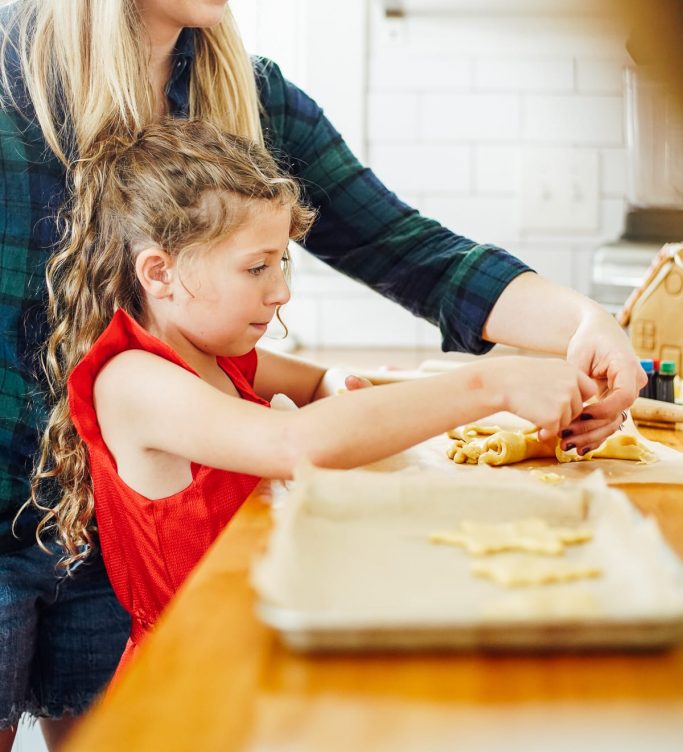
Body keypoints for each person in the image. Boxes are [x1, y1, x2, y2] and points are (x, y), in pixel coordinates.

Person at [0, 0, 643, 747]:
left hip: (130, 541)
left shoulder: (252, 103)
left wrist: (585, 324)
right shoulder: (8, 77)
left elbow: (417, 254)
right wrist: (487, 387)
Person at [28, 117, 605, 684]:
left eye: (280, 263)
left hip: (258, 640)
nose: (279, 291)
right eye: (256, 267)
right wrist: (492, 384)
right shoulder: (133, 379)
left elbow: (316, 381)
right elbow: (294, 443)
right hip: (194, 668)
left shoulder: (219, 354)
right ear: (160, 272)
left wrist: (332, 387)